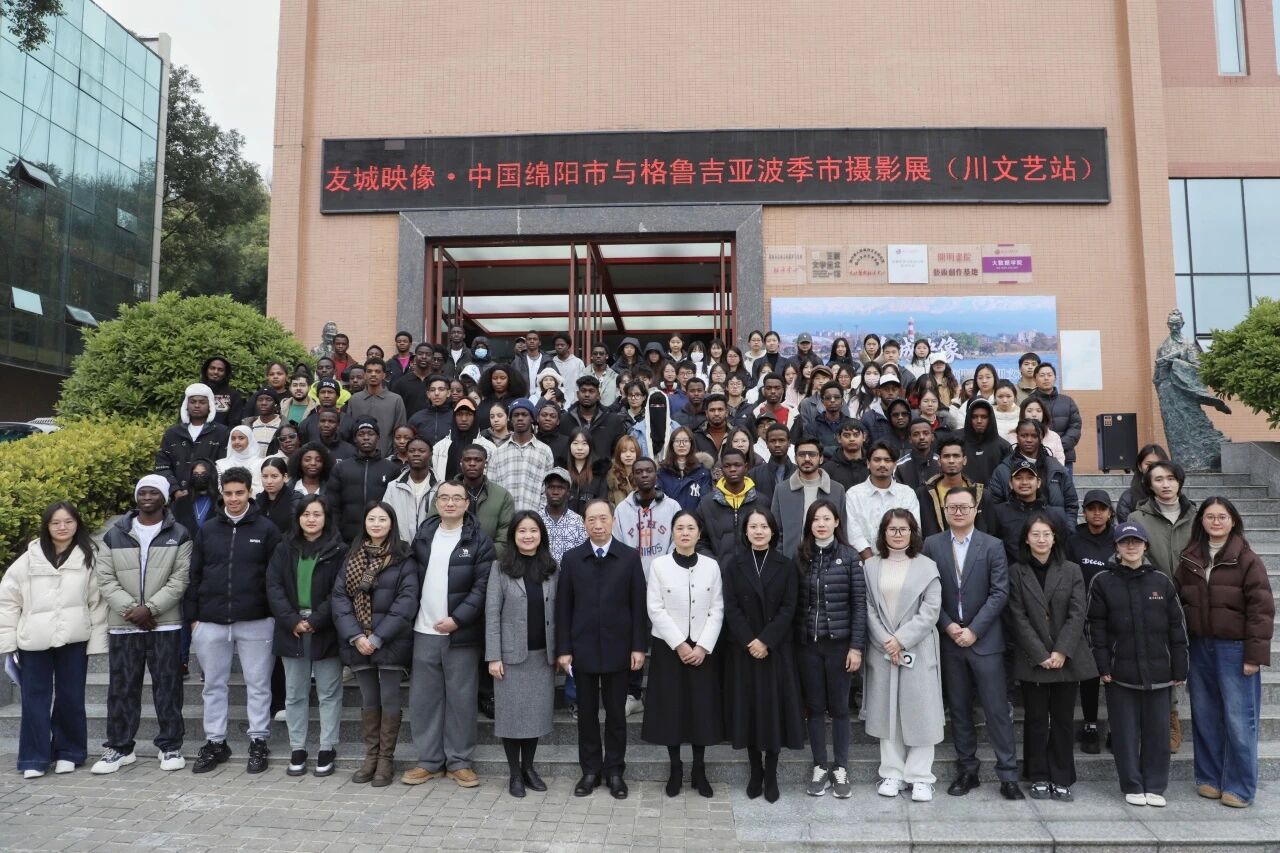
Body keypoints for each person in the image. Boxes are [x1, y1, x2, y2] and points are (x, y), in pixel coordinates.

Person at [922, 486, 1023, 800]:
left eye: (963, 507)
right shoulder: (932, 545)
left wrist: (975, 630)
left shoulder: (992, 545)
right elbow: (927, 591)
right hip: (950, 640)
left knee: (996, 710)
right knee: (960, 710)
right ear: (945, 511)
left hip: (985, 641)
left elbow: (999, 592)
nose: (958, 512)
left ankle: (1008, 774)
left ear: (975, 509)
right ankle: (967, 770)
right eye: (952, 507)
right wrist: (948, 625)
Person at [1174, 498, 1275, 808]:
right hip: (1200, 646)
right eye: (1209, 517)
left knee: (1239, 718)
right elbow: (1176, 602)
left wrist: (1254, 656)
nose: (1216, 522)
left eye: (1222, 517)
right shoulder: (1190, 558)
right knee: (1205, 715)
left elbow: (1261, 610)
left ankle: (1240, 786)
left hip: (1235, 648)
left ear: (1233, 521)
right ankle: (1209, 777)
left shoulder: (1247, 559)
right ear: (1201, 521)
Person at [184, 466, 283, 774]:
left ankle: (258, 740)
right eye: (228, 493)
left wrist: (272, 614)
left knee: (258, 684)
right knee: (213, 685)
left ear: (250, 492)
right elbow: (194, 574)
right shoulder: (208, 529)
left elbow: (277, 577)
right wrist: (193, 619)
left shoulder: (267, 530)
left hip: (257, 620)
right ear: (221, 494)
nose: (234, 499)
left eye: (240, 493)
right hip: (211, 620)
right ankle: (215, 742)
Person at [398, 481, 496, 788]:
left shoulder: (479, 540)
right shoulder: (424, 535)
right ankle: (429, 761)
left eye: (456, 498)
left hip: (461, 634)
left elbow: (482, 587)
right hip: (423, 629)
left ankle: (459, 762)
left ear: (467, 503)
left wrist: (457, 619)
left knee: (461, 699)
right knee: (424, 700)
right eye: (444, 498)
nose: (450, 503)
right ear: (436, 503)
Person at [92, 477, 191, 774]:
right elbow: (105, 578)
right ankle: (120, 748)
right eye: (142, 492)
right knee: (122, 688)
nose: (147, 497)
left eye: (154, 492)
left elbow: (180, 579)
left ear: (165, 498)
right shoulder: (115, 534)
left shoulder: (179, 534)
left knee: (168, 687)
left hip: (165, 625)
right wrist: (132, 610)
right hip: (124, 625)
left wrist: (150, 609)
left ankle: (170, 746)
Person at [0, 503, 107, 778]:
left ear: (77, 524)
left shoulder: (89, 557)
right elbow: (8, 601)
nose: (62, 527)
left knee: (71, 697)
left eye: (68, 521)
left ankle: (69, 752)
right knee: (34, 700)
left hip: (74, 638)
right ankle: (33, 758)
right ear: (46, 526)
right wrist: (8, 642)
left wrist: (96, 642)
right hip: (33, 640)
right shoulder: (28, 559)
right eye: (55, 522)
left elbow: (97, 603)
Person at [1088, 521, 1188, 807]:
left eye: (1136, 541)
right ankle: (1132, 784)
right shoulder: (1102, 581)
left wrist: (1180, 666)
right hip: (1120, 673)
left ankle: (1155, 785)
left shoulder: (1161, 581)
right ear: (1116, 547)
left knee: (1158, 732)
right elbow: (1095, 627)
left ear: (1146, 546)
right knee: (1125, 733)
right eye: (1124, 542)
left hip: (1159, 672)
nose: (1131, 546)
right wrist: (1103, 664)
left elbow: (1177, 627)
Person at [557, 499, 648, 799]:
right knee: (586, 715)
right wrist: (564, 649)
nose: (598, 525)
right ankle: (590, 771)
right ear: (584, 523)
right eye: (591, 520)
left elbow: (638, 606)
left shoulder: (628, 557)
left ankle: (615, 772)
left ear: (613, 521)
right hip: (582, 648)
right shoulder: (572, 559)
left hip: (618, 648)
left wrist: (638, 647)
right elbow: (563, 608)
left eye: (603, 519)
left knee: (616, 715)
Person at [1006, 512, 1097, 801]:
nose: (1041, 539)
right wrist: (1040, 653)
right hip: (1033, 658)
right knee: (1035, 719)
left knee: (1062, 719)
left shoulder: (1071, 570)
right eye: (1035, 534)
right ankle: (1038, 775)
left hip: (1066, 657)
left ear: (1055, 537)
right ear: (1026, 539)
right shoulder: (1016, 572)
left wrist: (1060, 650)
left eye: (1046, 534)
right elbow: (1017, 616)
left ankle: (1061, 776)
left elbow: (1077, 613)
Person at [330, 501, 420, 786]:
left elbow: (406, 602)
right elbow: (340, 599)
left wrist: (378, 637)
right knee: (369, 699)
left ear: (391, 523)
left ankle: (385, 760)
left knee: (390, 698)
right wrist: (357, 636)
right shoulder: (352, 557)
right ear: (365, 523)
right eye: (372, 519)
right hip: (358, 642)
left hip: (391, 642)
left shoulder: (403, 557)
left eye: (382, 519)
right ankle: (371, 757)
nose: (377, 524)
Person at [720, 508, 804, 802]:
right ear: (745, 531)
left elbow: (789, 608)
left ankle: (771, 772)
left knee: (773, 711)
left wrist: (766, 640)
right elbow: (731, 607)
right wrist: (750, 641)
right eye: (753, 526)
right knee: (749, 711)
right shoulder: (734, 565)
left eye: (764, 526)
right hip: (744, 650)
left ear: (773, 531)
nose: (758, 531)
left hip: (775, 650)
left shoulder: (786, 565)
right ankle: (755, 769)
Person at [640, 511, 723, 798]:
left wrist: (702, 646)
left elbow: (717, 608)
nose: (685, 533)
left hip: (702, 648)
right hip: (669, 648)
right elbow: (655, 608)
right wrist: (679, 644)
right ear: (672, 532)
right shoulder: (659, 565)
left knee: (701, 709)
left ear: (699, 533)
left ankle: (699, 768)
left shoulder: (711, 566)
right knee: (671, 709)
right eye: (679, 528)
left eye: (690, 528)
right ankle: (675, 767)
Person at [863, 509, 943, 801]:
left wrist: (901, 640)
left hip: (917, 648)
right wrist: (887, 641)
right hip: (882, 649)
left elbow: (931, 610)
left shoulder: (927, 566)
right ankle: (892, 773)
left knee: (921, 712)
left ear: (913, 533)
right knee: (888, 713)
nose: (898, 534)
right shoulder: (870, 566)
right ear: (883, 533)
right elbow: (867, 607)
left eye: (903, 529)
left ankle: (921, 777)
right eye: (892, 529)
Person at [264, 495, 345, 777]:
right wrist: (292, 620)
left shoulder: (339, 550)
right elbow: (274, 586)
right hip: (291, 628)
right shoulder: (284, 548)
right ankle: (297, 748)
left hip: (326, 628)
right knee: (295, 693)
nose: (311, 519)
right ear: (298, 518)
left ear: (326, 518)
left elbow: (340, 590)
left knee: (329, 693)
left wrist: (316, 620)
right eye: (306, 514)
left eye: (317, 514)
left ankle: (327, 747)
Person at [793, 500, 865, 799]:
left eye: (826, 519)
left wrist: (856, 647)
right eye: (815, 519)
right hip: (809, 645)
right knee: (814, 707)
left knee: (839, 708)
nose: (821, 524)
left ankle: (841, 767)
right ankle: (820, 765)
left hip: (839, 645)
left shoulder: (849, 556)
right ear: (809, 525)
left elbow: (859, 605)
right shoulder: (801, 556)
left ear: (837, 522)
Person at [485, 512, 559, 798]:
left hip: (542, 655)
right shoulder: (500, 568)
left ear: (541, 535)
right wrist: (494, 656)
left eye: (533, 531)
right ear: (513, 536)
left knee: (535, 717)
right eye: (522, 531)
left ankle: (529, 768)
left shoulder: (552, 568)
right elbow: (492, 614)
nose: (528, 536)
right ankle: (514, 773)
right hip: (510, 656)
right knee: (511, 717)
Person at [1067, 489, 1116, 753]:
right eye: (1091, 508)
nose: (1097, 513)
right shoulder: (1073, 541)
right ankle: (1090, 726)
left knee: (1113, 675)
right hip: (1082, 618)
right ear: (1084, 512)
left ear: (1110, 512)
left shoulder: (1118, 539)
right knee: (1088, 675)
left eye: (1102, 508)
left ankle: (1116, 729)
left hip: (1113, 618)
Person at [771, 436, 846, 560]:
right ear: (795, 458)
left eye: (812, 454)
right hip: (790, 562)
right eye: (802, 454)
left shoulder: (837, 490)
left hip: (829, 561)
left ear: (821, 458)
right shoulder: (782, 490)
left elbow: (842, 530)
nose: (807, 458)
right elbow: (775, 531)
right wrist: (781, 560)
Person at [845, 441, 921, 562]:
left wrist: (898, 561)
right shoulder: (854, 494)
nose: (882, 464)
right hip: (865, 564)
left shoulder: (907, 493)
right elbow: (854, 535)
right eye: (877, 460)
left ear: (895, 465)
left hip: (903, 561)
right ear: (868, 463)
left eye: (887, 460)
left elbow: (914, 529)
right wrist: (872, 564)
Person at [987, 419, 1078, 517]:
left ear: (1041, 437)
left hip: (1053, 525)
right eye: (1024, 435)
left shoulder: (1056, 468)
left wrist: (1068, 526)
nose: (1029, 440)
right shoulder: (1003, 469)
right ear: (1017, 437)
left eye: (1034, 436)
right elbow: (993, 505)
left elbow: (1071, 504)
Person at [327, 418, 399, 542]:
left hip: (382, 537)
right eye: (361, 434)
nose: (366, 438)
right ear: (355, 439)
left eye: (370, 434)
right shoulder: (341, 468)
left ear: (378, 438)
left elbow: (397, 507)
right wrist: (336, 534)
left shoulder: (391, 469)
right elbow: (332, 506)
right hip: (347, 538)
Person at [989, 459, 1073, 565]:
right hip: (1010, 573)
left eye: (1030, 478)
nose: (1024, 482)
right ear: (1010, 483)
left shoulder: (1053, 514)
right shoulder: (998, 513)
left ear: (1038, 483)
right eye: (1018, 478)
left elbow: (1061, 550)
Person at [156, 383, 230, 498]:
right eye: (193, 402)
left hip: (212, 497)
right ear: (186, 404)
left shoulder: (222, 432)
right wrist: (175, 490)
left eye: (202, 402)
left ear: (210, 405)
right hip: (178, 497)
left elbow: (224, 465)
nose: (197, 405)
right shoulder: (172, 433)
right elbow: (162, 466)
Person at [917, 437, 994, 538]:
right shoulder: (924, 493)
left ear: (964, 460)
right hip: (934, 547)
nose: (951, 461)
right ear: (939, 461)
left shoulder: (981, 494)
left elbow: (991, 531)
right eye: (946, 456)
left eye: (956, 456)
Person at [489, 399, 554, 513]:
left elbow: (547, 489)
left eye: (524, 414)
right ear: (510, 419)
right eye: (516, 415)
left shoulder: (545, 451)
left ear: (532, 418)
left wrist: (538, 515)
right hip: (505, 518)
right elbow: (492, 488)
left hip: (534, 518)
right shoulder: (498, 453)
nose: (520, 418)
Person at [346, 358, 407, 457]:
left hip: (387, 458)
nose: (373, 374)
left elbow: (400, 432)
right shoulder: (354, 399)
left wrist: (395, 457)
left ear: (384, 375)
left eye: (377, 371)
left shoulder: (396, 400)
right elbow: (349, 431)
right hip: (358, 458)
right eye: (369, 371)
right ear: (365, 375)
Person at [1029, 362, 1082, 473]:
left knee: (1064, 484)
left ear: (1055, 378)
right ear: (1035, 379)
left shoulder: (1067, 401)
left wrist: (1058, 446)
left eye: (1049, 375)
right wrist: (1042, 448)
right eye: (1042, 375)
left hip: (1065, 456)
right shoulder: (1029, 402)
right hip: (1036, 457)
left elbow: (1075, 427)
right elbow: (1025, 428)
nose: (1046, 378)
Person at [385, 436, 438, 541]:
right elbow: (386, 517)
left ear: (430, 455)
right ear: (407, 454)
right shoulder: (393, 487)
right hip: (400, 546)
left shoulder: (441, 487)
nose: (416, 454)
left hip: (431, 545)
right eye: (412, 451)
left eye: (421, 451)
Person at [565, 374, 626, 461]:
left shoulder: (613, 420)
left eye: (591, 391)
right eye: (583, 391)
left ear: (598, 395)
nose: (587, 394)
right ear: (578, 394)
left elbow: (620, 450)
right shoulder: (565, 420)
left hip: (604, 469)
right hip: (572, 468)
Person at [657, 427, 713, 512]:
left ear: (691, 444)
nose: (681, 445)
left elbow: (705, 504)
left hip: (694, 519)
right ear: (672, 444)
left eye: (685, 441)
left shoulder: (702, 473)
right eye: (677, 441)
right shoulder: (662, 472)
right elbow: (659, 503)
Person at [957, 399, 1010, 486]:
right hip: (961, 493)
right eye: (974, 417)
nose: (979, 421)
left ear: (990, 418)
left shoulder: (1003, 446)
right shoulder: (957, 442)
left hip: (992, 493)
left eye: (984, 417)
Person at [430, 398, 481, 483]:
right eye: (459, 414)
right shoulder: (439, 448)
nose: (464, 419)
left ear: (475, 417)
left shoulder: (487, 447)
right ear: (454, 417)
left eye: (469, 414)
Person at [1117, 444, 1171, 522]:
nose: (1153, 468)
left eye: (1158, 464)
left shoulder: (1172, 494)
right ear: (1140, 467)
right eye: (1149, 464)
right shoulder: (1128, 498)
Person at [564, 429, 608, 516]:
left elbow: (602, 503)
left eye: (584, 443)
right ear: (569, 445)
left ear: (590, 446)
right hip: (565, 522)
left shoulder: (598, 472)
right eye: (575, 443)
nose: (579, 448)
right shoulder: (562, 472)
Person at [391, 343, 436, 420]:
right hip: (409, 425)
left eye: (428, 354)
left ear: (432, 358)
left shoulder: (438, 382)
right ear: (415, 356)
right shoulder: (402, 382)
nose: (424, 357)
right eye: (420, 354)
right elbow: (395, 409)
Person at [822, 419, 869, 490]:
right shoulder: (828, 469)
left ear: (864, 437)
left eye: (856, 435)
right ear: (839, 438)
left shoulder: (872, 465)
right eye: (847, 435)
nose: (852, 439)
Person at [217, 425, 264, 494]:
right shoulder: (221, 464)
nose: (237, 441)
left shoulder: (261, 463)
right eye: (233, 438)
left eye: (241, 438)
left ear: (249, 439)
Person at [200, 356, 244, 426]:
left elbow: (235, 423)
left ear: (226, 373)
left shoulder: (234, 396)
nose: (216, 372)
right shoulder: (194, 392)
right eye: (212, 368)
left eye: (220, 370)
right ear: (206, 370)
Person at [254, 458, 295, 533]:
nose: (269, 481)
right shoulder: (256, 502)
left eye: (274, 476)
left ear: (285, 477)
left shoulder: (295, 501)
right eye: (265, 476)